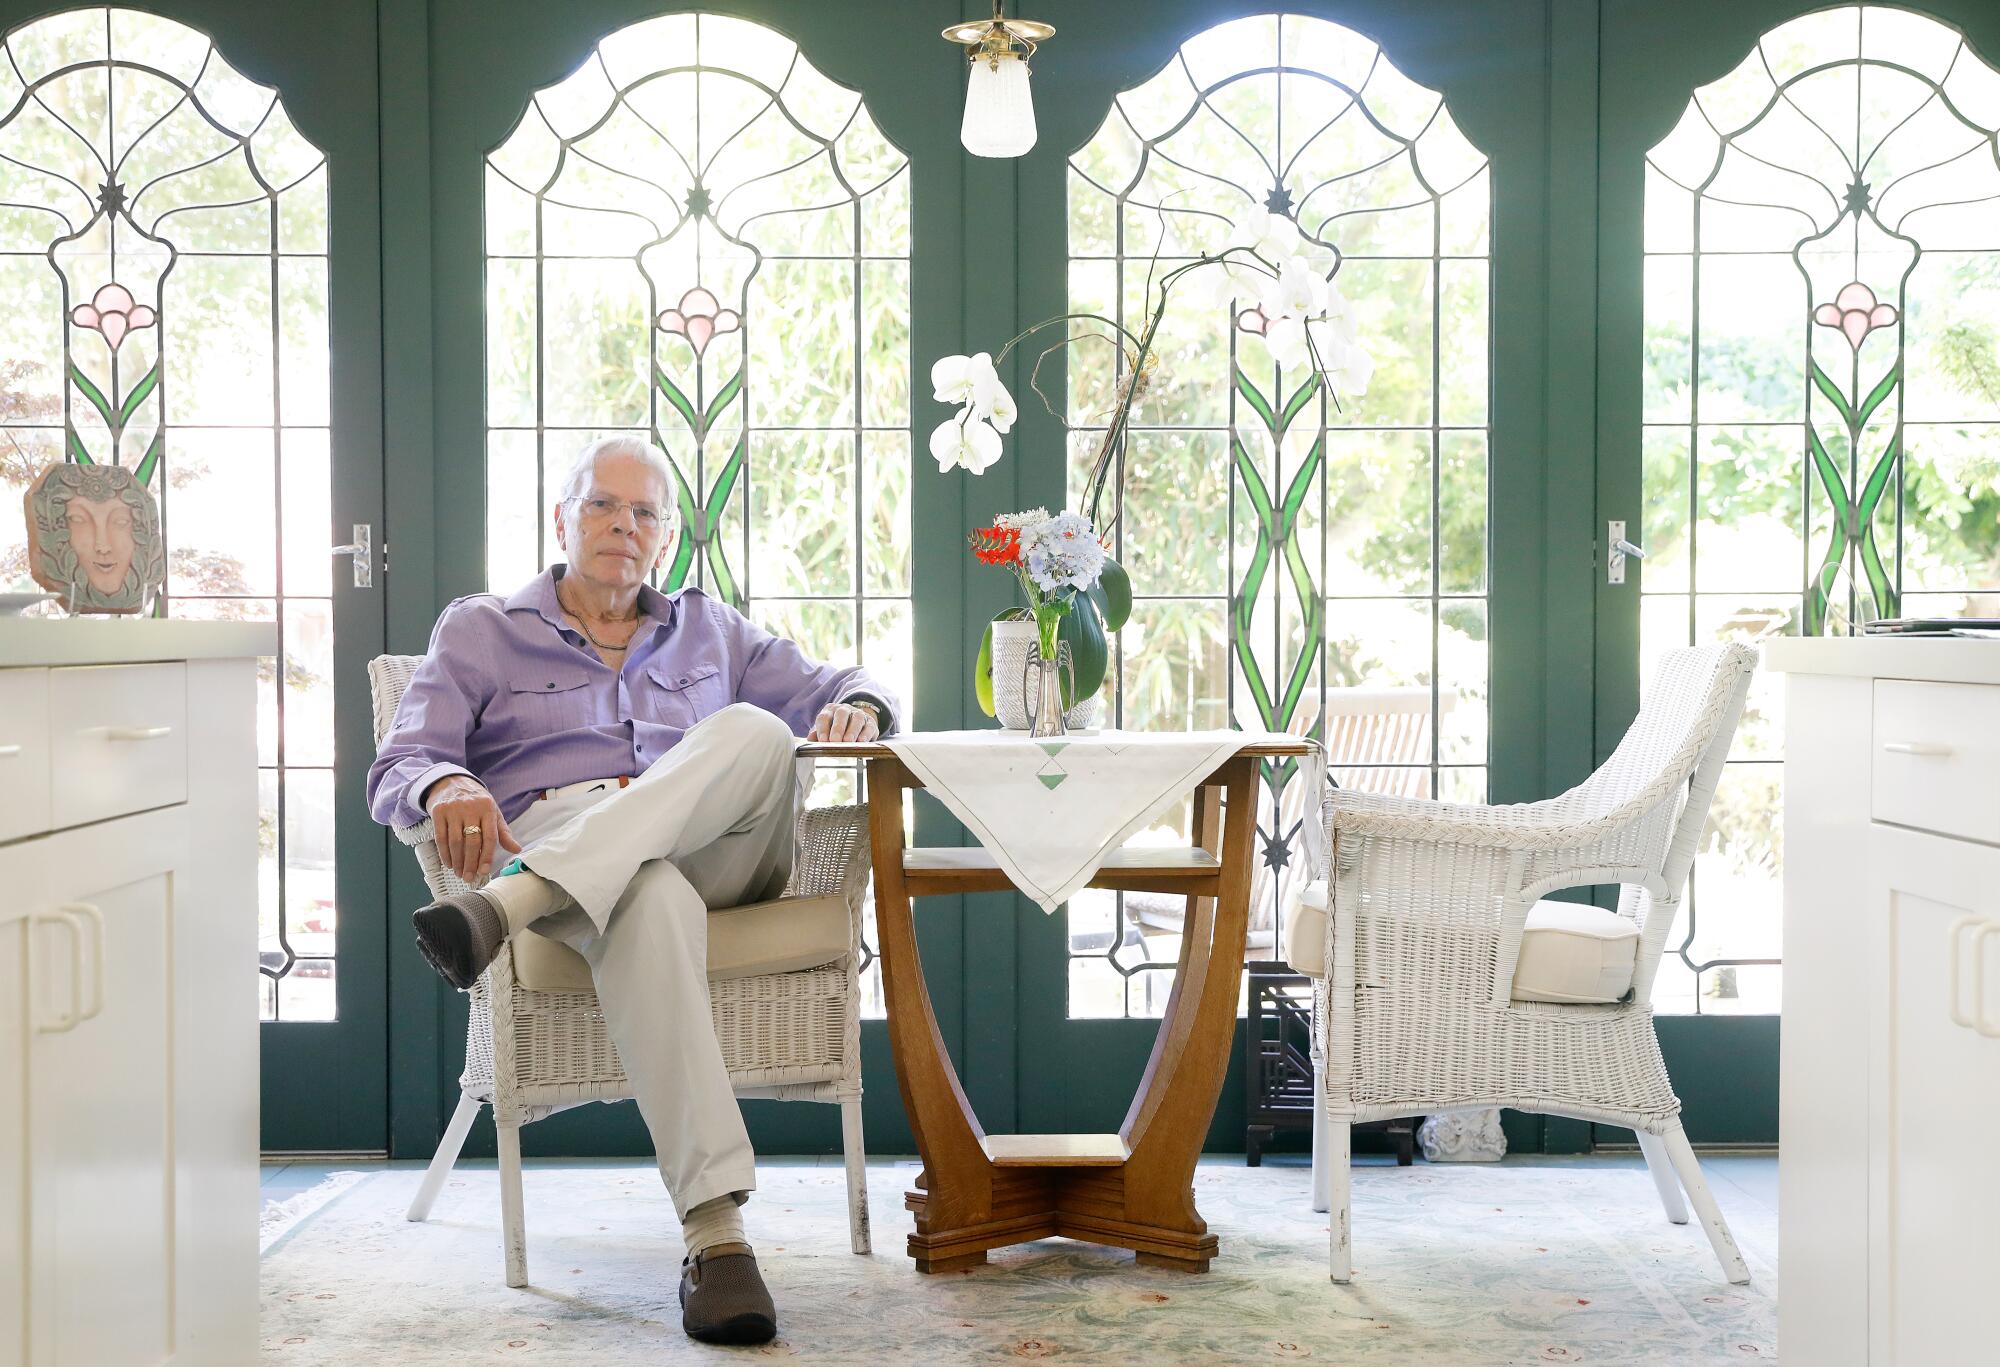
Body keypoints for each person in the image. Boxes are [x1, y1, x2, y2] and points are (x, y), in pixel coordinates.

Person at [366, 435, 898, 1345]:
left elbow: (846, 683)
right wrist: (446, 785)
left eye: (645, 512)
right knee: (642, 891)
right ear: (561, 518)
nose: (624, 524)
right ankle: (716, 1235)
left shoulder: (713, 627)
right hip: (585, 852)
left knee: (755, 733)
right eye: (603, 505)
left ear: (666, 537)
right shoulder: (480, 629)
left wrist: (864, 708)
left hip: (718, 857)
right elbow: (399, 764)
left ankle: (510, 904)